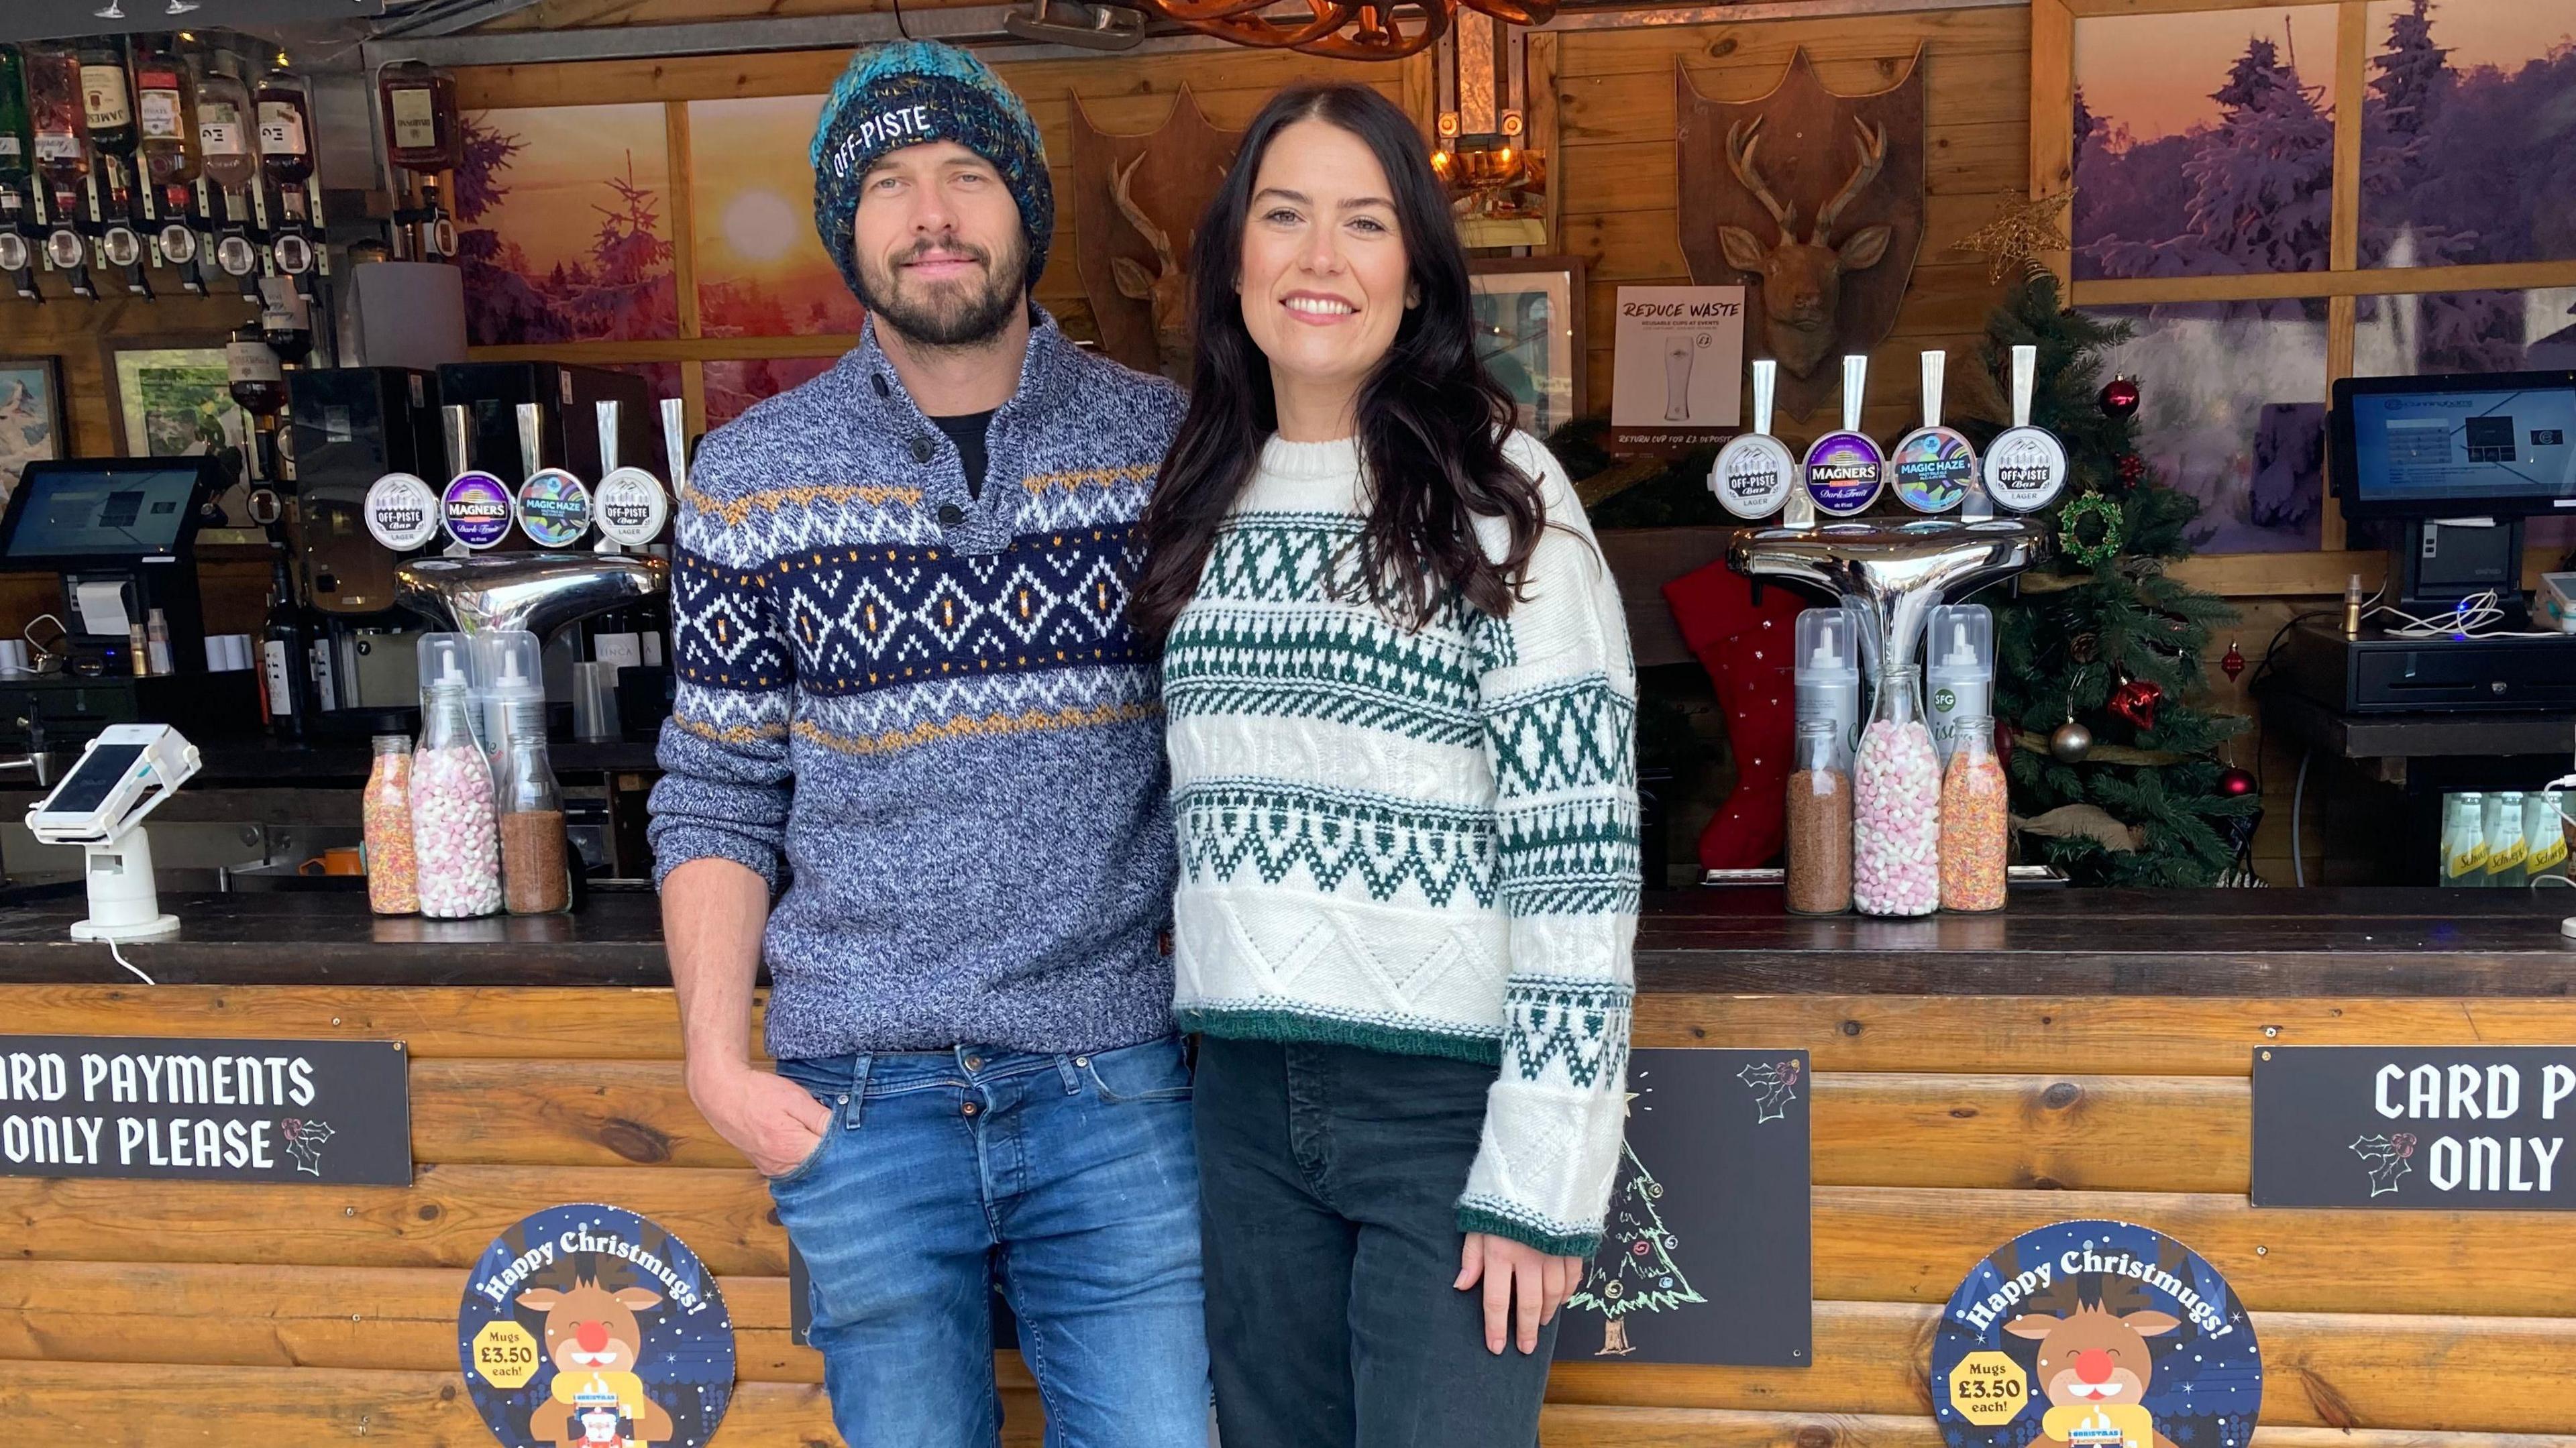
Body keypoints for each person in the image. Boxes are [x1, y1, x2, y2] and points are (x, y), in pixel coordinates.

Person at [645, 40, 1205, 1448]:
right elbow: (718, 789)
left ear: (1026, 211)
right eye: (889, 184)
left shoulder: (1171, 446)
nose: (933, 213)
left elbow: (1234, 749)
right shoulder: (751, 475)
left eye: (967, 174)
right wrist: (721, 1066)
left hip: (1116, 1086)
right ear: (851, 232)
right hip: (858, 1101)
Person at [1129, 82, 1639, 1447]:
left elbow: (1580, 858)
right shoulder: (1197, 494)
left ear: (1414, 274)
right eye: (1283, 216)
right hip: (1239, 1098)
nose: (1319, 257)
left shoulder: (1505, 498)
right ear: (1235, 258)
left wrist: (1543, 1173)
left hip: (1445, 1118)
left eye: (1363, 222)